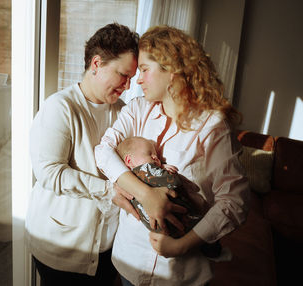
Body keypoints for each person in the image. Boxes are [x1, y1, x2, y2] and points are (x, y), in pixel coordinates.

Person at [95, 25, 250, 286]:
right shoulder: (137, 110)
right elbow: (103, 151)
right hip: (127, 262)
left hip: (179, 273)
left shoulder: (212, 125)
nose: (138, 80)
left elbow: (234, 200)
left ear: (172, 70)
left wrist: (181, 246)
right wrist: (146, 194)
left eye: (144, 70)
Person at [25, 23, 139, 286]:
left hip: (108, 250)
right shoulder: (60, 107)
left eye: (132, 77)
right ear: (96, 63)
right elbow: (49, 173)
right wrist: (107, 190)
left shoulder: (124, 113)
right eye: (123, 75)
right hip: (61, 248)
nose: (128, 85)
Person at [116, 136, 223, 258]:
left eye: (155, 154)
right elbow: (174, 182)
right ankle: (214, 251)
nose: (156, 158)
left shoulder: (125, 180)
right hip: (177, 219)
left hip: (154, 229)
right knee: (202, 226)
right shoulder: (145, 170)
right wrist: (164, 170)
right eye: (149, 154)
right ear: (129, 161)